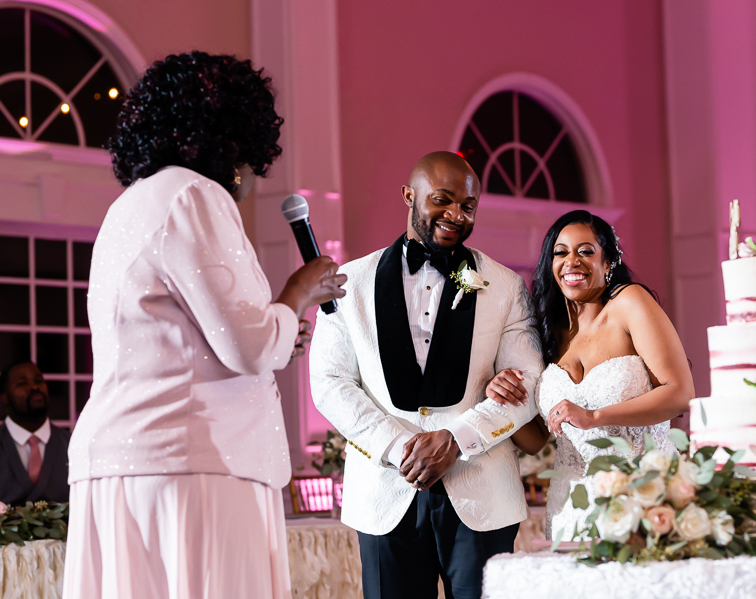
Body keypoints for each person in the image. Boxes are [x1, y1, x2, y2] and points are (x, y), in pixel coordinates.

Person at [63, 52, 346, 599]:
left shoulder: (127, 207)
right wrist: (298, 293)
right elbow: (248, 345)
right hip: (194, 462)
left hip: (121, 461)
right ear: (232, 136)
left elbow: (175, 338)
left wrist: (278, 330)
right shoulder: (194, 194)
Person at [309, 151, 544, 599]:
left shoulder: (506, 285)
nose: (456, 214)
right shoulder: (349, 282)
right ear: (409, 195)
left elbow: (528, 380)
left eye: (468, 206)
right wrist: (398, 447)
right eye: (442, 199)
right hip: (383, 493)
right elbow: (329, 382)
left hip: (482, 495)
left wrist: (457, 438)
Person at [488, 210, 694, 541]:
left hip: (643, 491)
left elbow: (680, 392)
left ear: (608, 262)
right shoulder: (547, 332)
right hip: (570, 506)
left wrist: (594, 416)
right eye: (561, 252)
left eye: (585, 251)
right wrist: (499, 394)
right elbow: (536, 439)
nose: (572, 261)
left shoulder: (629, 303)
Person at [0, 361, 70, 505]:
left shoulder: (72, 444)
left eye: (38, 381)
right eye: (22, 383)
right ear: (4, 397)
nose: (34, 387)